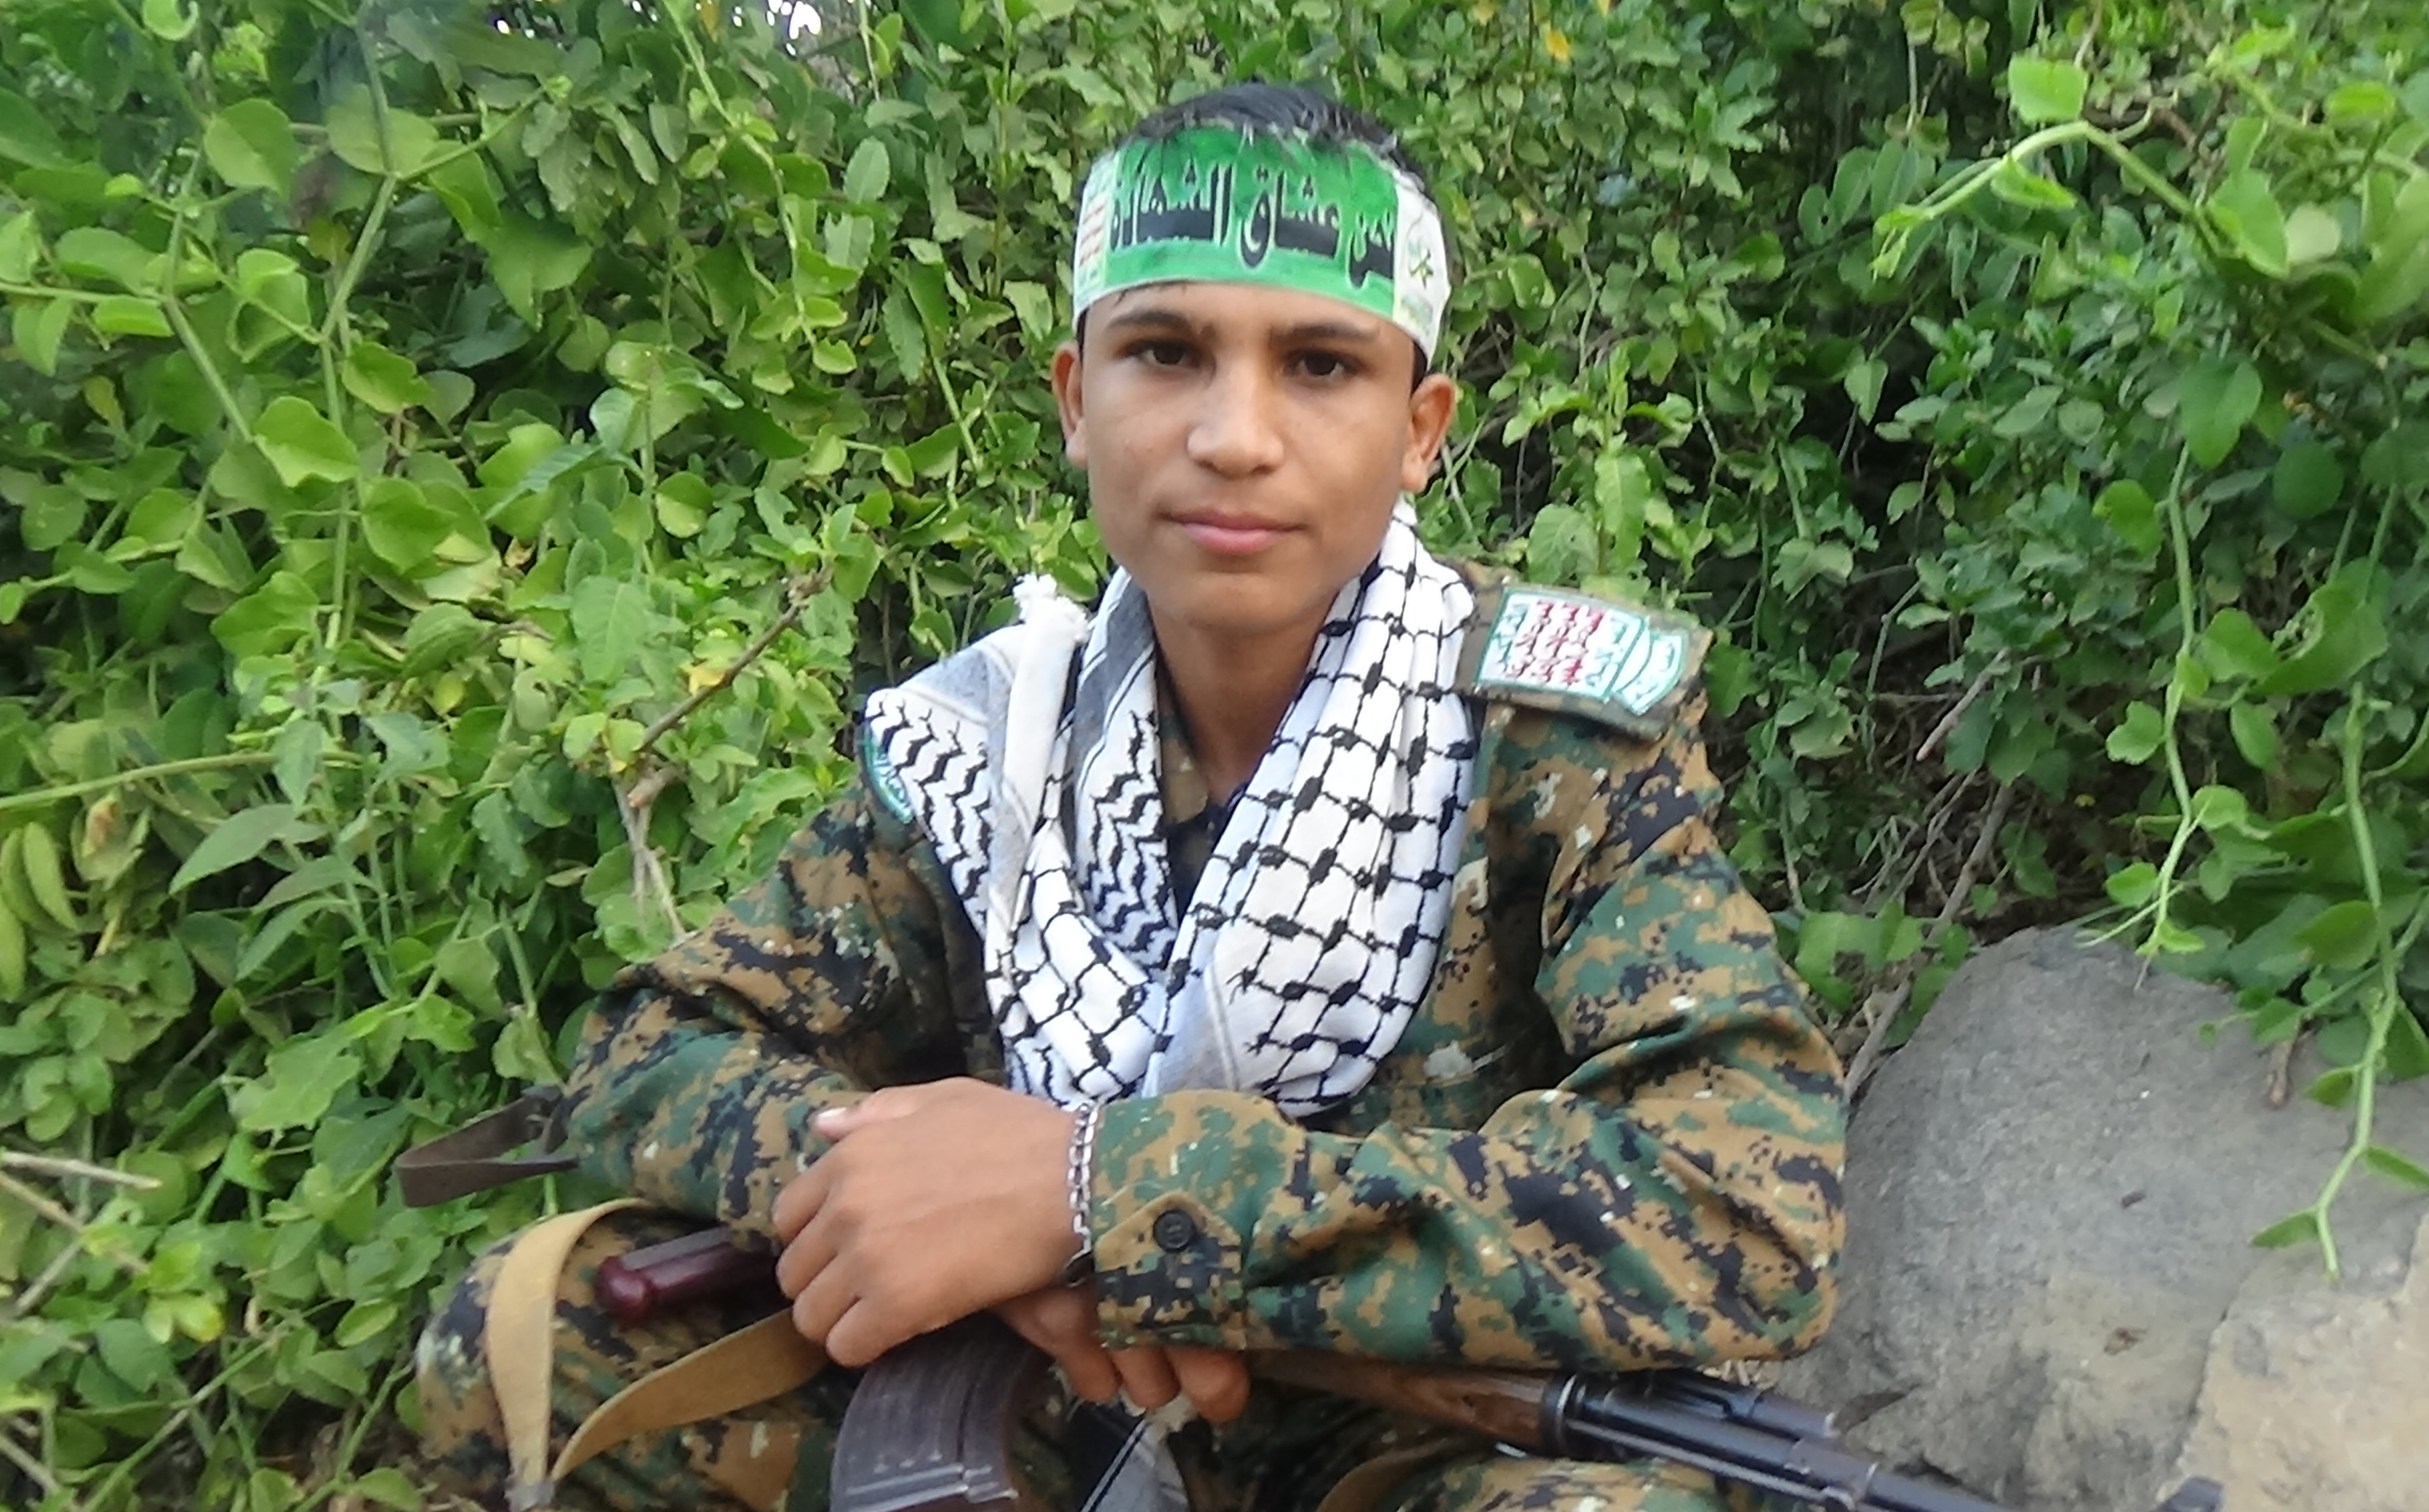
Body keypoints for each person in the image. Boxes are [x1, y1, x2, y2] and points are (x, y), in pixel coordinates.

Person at [413, 82, 1845, 1512]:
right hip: (1059, 1400)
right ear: (1076, 401)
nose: (1235, 436)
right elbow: (654, 1046)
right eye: (1165, 353)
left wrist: (1098, 1199)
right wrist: (937, 1210)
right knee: (525, 1334)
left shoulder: (1546, 736)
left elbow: (1748, 1195)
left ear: (1420, 430)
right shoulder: (1001, 744)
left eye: (1321, 365)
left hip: (1421, 1440)